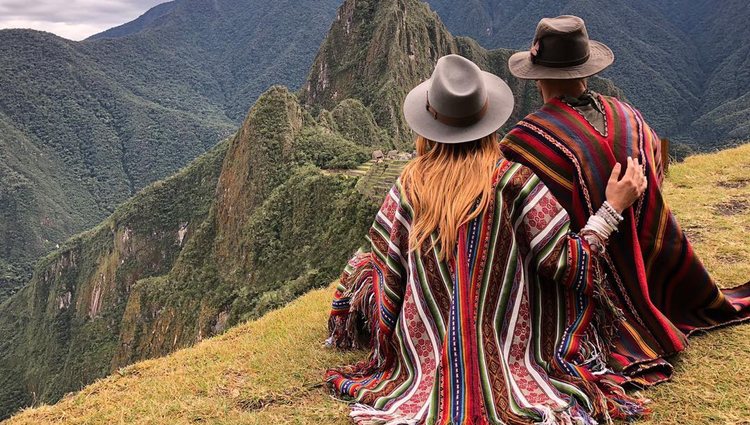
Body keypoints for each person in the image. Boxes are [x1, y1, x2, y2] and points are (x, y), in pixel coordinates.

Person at [325, 54, 649, 425]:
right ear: (487, 120)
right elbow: (568, 261)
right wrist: (612, 208)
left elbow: (387, 265)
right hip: (511, 351)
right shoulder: (515, 182)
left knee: (362, 263)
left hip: (421, 352)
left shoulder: (408, 186)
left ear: (429, 124)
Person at [501, 15, 750, 393]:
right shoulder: (629, 116)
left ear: (536, 76)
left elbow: (520, 223)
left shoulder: (524, 144)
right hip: (654, 270)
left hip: (586, 279)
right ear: (587, 68)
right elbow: (656, 179)